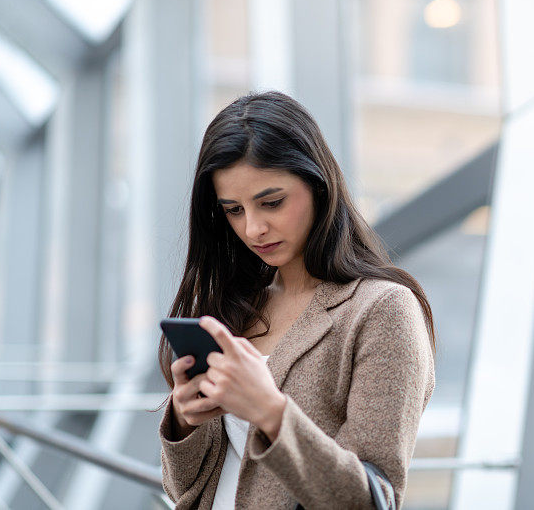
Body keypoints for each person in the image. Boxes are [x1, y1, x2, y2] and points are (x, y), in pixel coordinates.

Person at [157, 91, 437, 509]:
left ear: (318, 186)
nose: (253, 229)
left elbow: (371, 500)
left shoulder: (381, 310)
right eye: (233, 210)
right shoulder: (235, 310)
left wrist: (270, 411)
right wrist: (184, 420)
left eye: (272, 202)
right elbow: (184, 493)